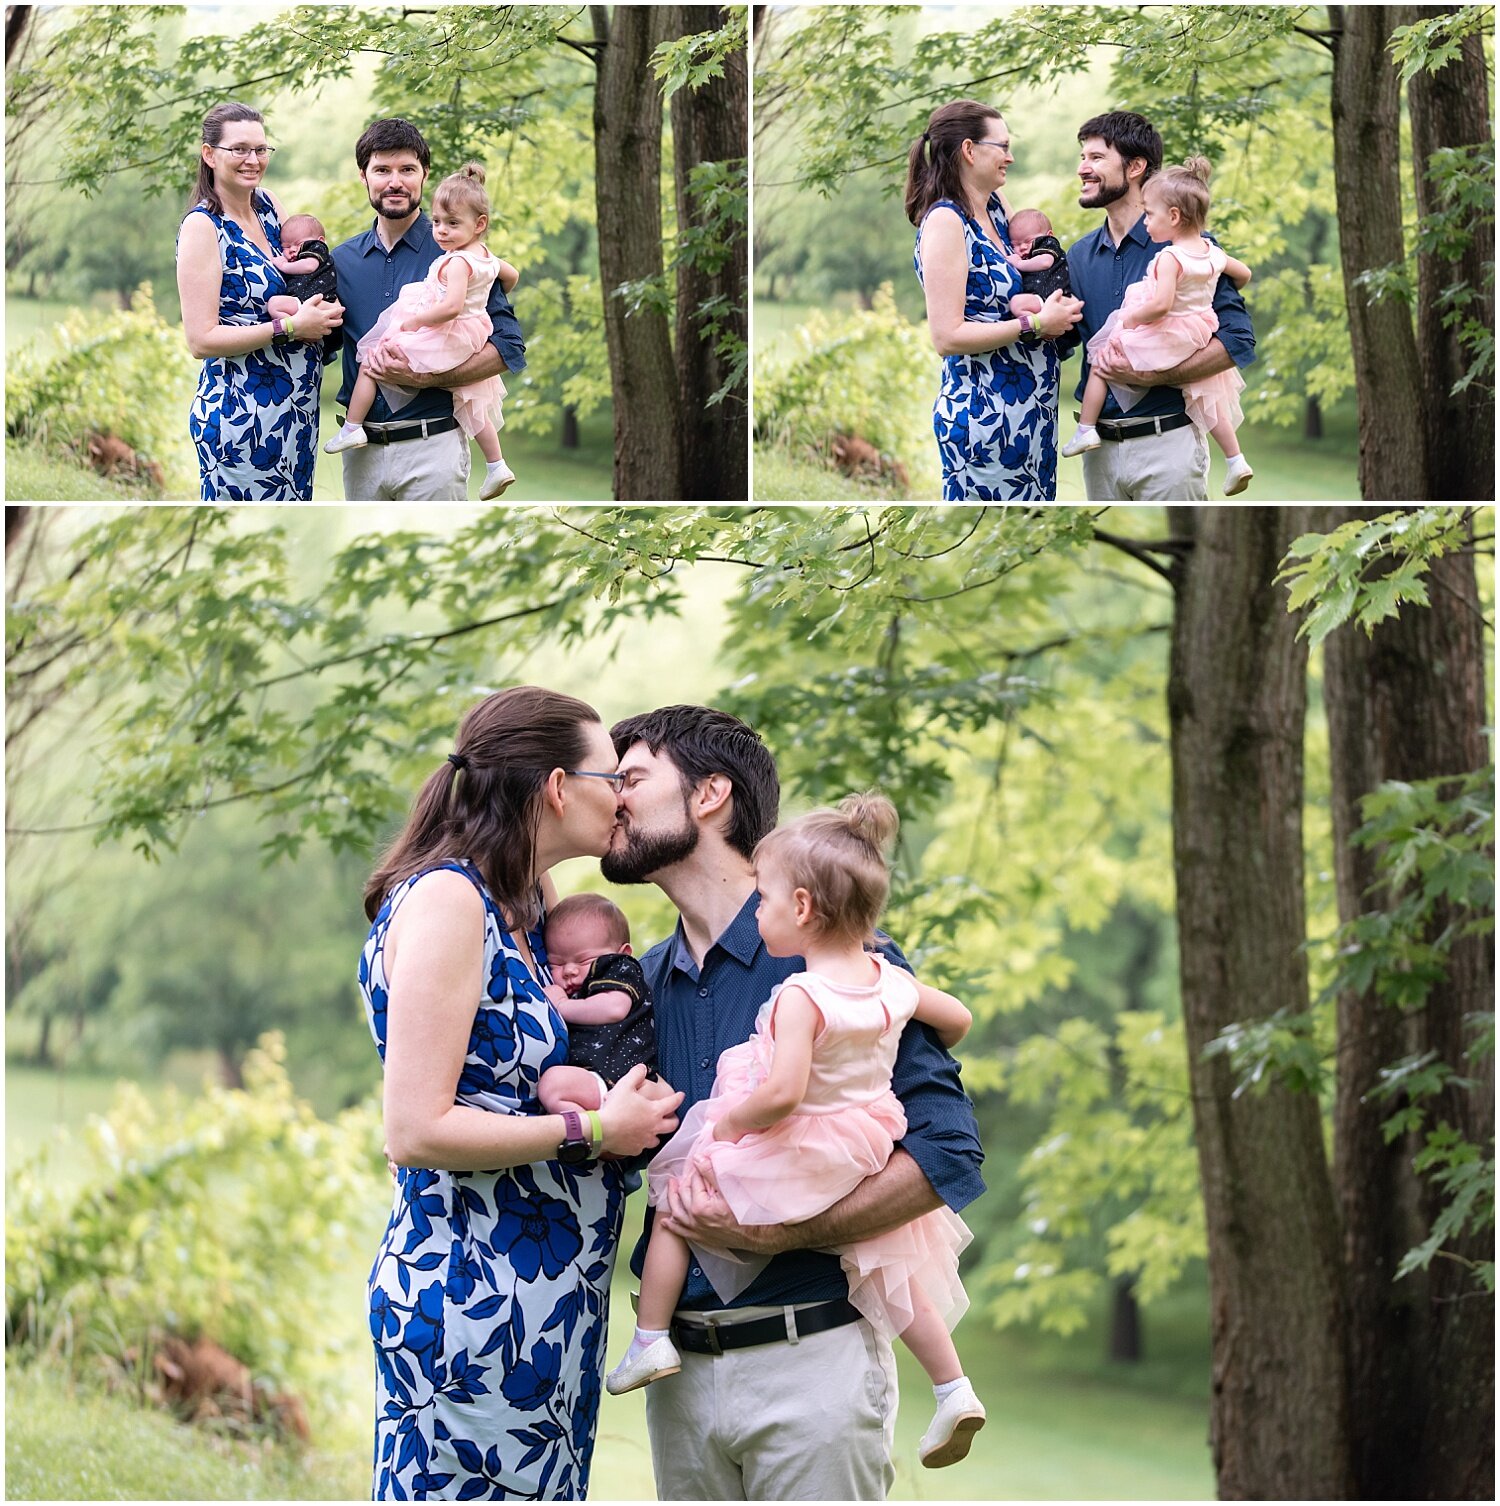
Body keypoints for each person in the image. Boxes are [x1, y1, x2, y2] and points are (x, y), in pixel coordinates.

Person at [600, 704, 986, 1500]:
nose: (614, 800)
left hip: (814, 1365)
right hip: (677, 1378)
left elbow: (947, 1151)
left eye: (632, 778)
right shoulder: (641, 981)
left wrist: (784, 1231)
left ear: (709, 796)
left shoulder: (843, 963)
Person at [358, 687, 683, 1501]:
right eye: (612, 776)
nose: (622, 797)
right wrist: (595, 1128)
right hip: (472, 1302)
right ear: (556, 787)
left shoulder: (525, 908)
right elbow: (416, 1130)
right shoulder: (448, 901)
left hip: (549, 1304)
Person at [1062, 111, 1257, 501]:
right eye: (1082, 158)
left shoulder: (1190, 246)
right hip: (1098, 453)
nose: (1083, 168)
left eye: (1096, 158)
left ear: (1135, 167)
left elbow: (1238, 341)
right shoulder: (1079, 256)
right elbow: (1061, 343)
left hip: (1168, 446)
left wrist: (1156, 376)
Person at [331, 119, 527, 501]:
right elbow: (319, 348)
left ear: (425, 175)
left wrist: (427, 379)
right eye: (382, 170)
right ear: (363, 177)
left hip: (433, 448)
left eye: (407, 169)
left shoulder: (457, 253)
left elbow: (509, 347)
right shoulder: (343, 260)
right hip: (361, 455)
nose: (395, 181)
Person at [907, 99, 1083, 501]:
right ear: (969, 150)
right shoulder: (946, 222)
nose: (1011, 156)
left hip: (1032, 416)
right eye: (1002, 146)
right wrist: (1036, 325)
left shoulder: (999, 211)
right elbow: (946, 337)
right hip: (986, 420)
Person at [175, 101, 343, 500]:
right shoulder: (203, 227)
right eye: (240, 149)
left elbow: (307, 269)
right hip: (242, 419)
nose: (253, 159)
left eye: (261, 149)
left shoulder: (268, 205)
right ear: (209, 154)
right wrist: (289, 328)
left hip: (296, 414)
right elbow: (201, 340)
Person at [536, 892, 668, 1119]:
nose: (569, 971)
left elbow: (613, 1008)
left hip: (620, 1079)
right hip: (599, 1081)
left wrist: (560, 1005)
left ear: (622, 953)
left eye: (584, 960)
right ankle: (599, 1135)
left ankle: (591, 1132)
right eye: (556, 963)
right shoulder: (580, 989)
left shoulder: (620, 969)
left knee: (551, 1085)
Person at [1002, 208, 1073, 310]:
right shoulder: (1028, 257)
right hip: (1040, 298)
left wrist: (1018, 263)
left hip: (1052, 297)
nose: (1022, 247)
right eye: (1016, 244)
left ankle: (1033, 322)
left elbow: (1045, 262)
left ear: (1049, 236)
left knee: (1016, 304)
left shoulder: (1048, 243)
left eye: (1028, 241)